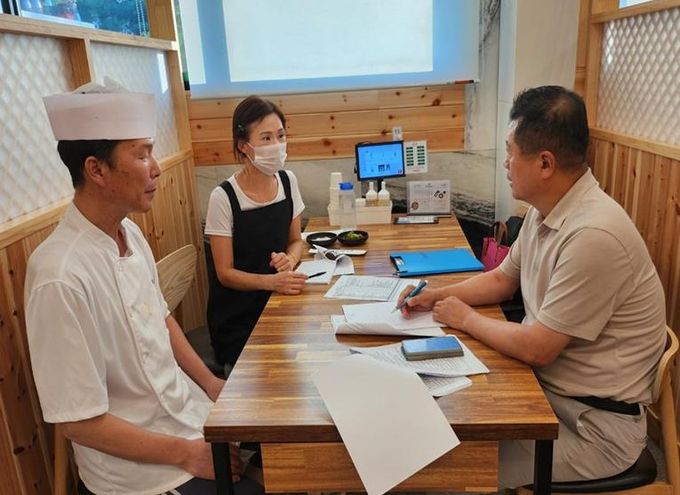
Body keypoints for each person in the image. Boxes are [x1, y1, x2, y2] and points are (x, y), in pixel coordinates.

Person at [398, 85, 667, 487]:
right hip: (547, 394)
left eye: (510, 152)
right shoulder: (546, 211)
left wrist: (465, 318)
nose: (506, 163)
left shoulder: (594, 235)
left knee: (440, 464)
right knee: (431, 413)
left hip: (591, 429)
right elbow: (501, 280)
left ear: (545, 163)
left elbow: (538, 348)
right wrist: (437, 295)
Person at [25, 81, 262, 495]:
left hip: (186, 415)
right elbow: (78, 422)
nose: (156, 168)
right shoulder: (59, 275)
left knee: (282, 450)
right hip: (139, 472)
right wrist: (188, 454)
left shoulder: (129, 233)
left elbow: (161, 318)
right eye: (141, 154)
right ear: (96, 170)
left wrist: (211, 384)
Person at [204, 96, 307, 369]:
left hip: (280, 304)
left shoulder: (288, 181)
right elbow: (224, 273)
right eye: (266, 138)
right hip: (238, 320)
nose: (277, 145)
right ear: (243, 145)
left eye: (280, 136)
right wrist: (271, 282)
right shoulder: (223, 197)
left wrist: (289, 260)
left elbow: (296, 241)